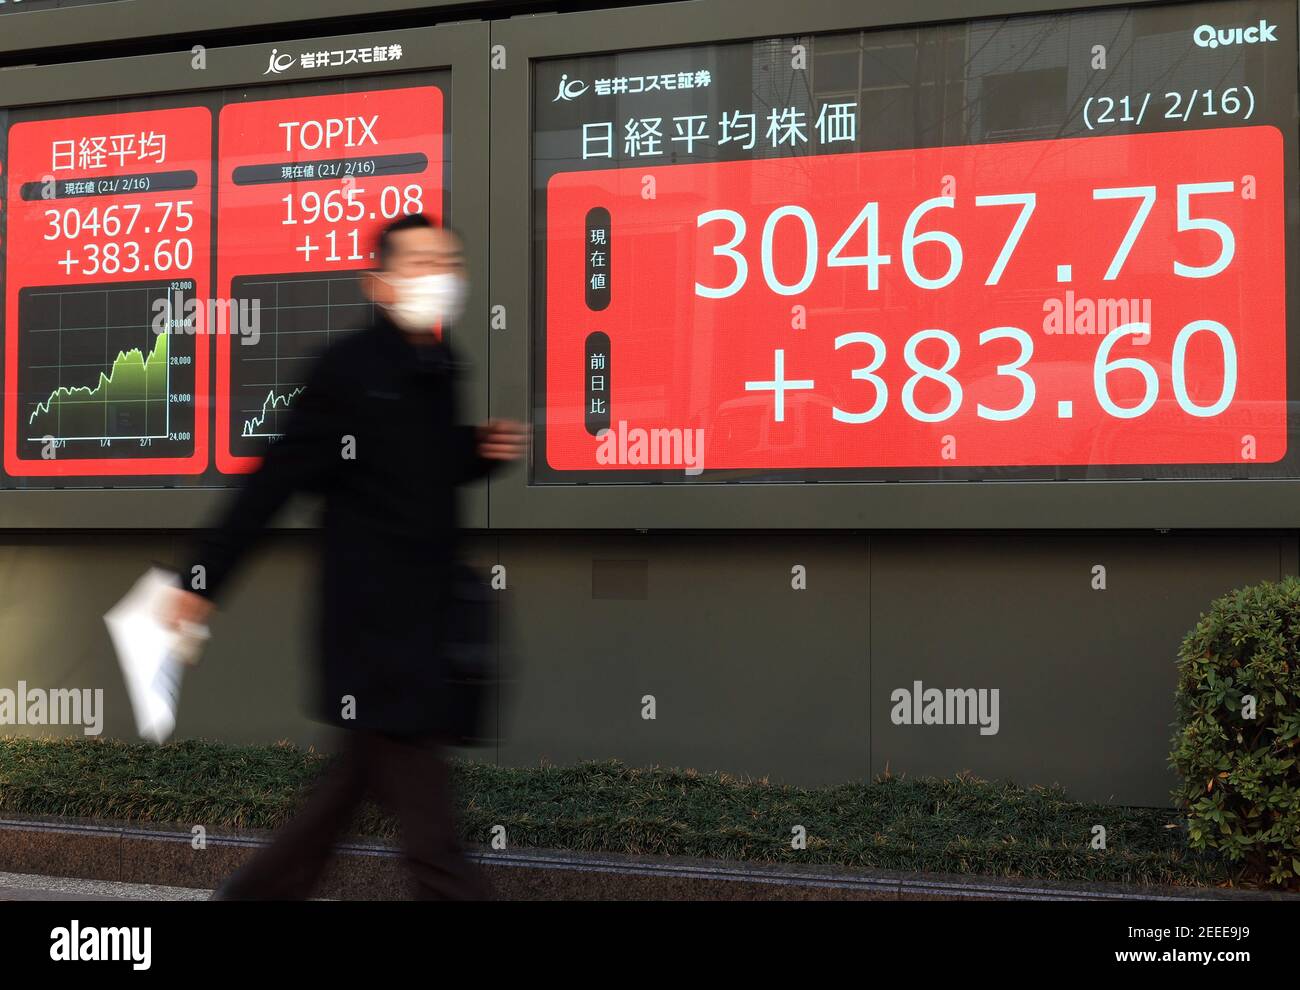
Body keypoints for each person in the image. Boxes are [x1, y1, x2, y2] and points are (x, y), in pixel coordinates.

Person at [163, 214, 526, 899]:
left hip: (426, 631)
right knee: (435, 846)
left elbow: (410, 473)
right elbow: (274, 480)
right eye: (418, 265)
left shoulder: (441, 367)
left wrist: (471, 452)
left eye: (447, 263)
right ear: (379, 284)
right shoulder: (348, 370)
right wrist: (200, 579)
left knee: (328, 818)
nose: (439, 278)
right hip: (376, 640)